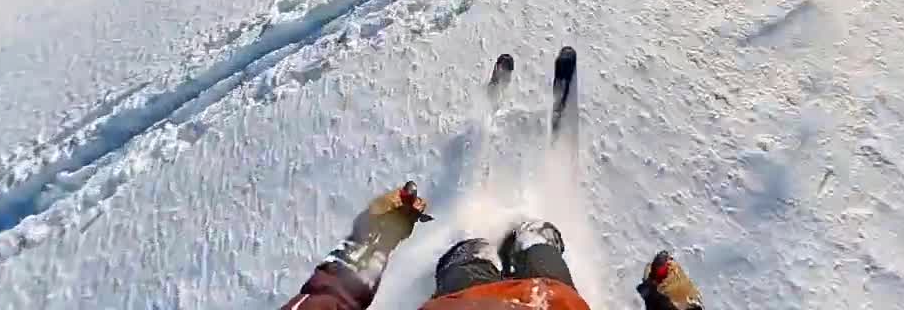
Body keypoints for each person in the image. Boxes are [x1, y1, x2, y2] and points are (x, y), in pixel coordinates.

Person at [281, 181, 704, 310]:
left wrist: (375, 238)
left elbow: (326, 302)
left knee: (471, 255)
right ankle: (530, 237)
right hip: (552, 299)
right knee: (539, 245)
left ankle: (491, 242)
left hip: (464, 298)